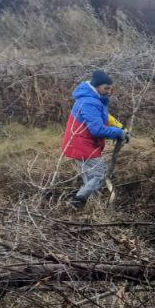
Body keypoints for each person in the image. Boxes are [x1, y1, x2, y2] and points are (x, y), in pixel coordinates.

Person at [61, 69, 128, 210]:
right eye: (106, 88)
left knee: (90, 179)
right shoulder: (89, 102)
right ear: (97, 86)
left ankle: (90, 211)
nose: (109, 91)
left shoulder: (94, 98)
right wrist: (118, 133)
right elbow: (97, 129)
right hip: (81, 144)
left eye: (111, 88)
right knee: (100, 174)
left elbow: (104, 117)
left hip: (79, 143)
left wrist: (119, 127)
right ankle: (77, 201)